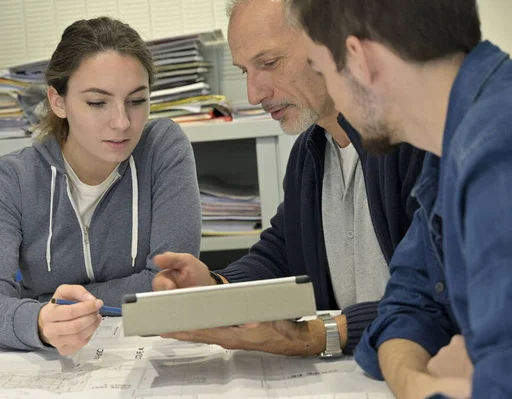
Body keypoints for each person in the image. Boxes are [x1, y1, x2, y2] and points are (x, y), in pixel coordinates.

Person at [151, 0, 425, 358]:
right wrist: (217, 286)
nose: (254, 94)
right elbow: (284, 252)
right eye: (244, 70)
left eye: (268, 63)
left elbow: (436, 297)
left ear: (334, 43)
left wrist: (316, 335)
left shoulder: (416, 139)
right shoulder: (310, 152)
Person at [291, 0, 512, 397]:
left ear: (359, 59)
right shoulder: (450, 143)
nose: (336, 104)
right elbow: (404, 309)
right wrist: (421, 383)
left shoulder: (497, 153)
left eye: (323, 72)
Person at [0, 17, 201, 356]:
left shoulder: (163, 147)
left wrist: (47, 301)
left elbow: (170, 280)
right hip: (56, 362)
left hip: (150, 351)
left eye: (137, 101)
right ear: (58, 101)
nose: (122, 122)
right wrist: (41, 322)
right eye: (96, 102)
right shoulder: (12, 177)